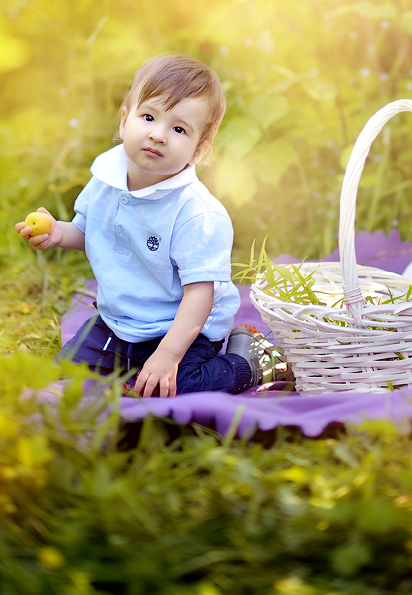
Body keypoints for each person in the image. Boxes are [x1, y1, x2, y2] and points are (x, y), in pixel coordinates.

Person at [16, 53, 291, 397]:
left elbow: (199, 295)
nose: (158, 135)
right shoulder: (106, 176)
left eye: (178, 129)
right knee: (59, 378)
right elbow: (90, 231)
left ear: (199, 150)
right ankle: (131, 362)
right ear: (124, 119)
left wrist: (168, 355)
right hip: (119, 322)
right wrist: (58, 232)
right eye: (148, 117)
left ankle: (251, 362)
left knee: (175, 386)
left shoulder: (196, 212)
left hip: (182, 329)